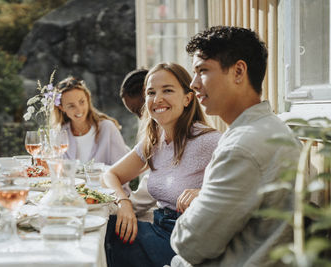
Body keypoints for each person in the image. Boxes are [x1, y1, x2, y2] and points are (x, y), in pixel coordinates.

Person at [170, 26, 301, 267]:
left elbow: (189, 244)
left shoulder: (243, 146)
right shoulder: (267, 128)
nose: (193, 84)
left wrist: (197, 202)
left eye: (202, 71)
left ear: (238, 71)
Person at [103, 62, 221, 267]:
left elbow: (249, 183)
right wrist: (124, 203)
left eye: (167, 90)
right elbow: (110, 175)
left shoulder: (208, 140)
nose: (157, 99)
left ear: (187, 98)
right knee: (105, 229)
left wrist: (203, 192)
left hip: (188, 241)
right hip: (159, 230)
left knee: (107, 239)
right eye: (151, 92)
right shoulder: (154, 140)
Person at [51, 76, 129, 165]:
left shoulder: (107, 128)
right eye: (71, 106)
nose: (79, 110)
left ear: (88, 99)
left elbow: (124, 169)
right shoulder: (60, 133)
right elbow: (56, 169)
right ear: (61, 107)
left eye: (82, 102)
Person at [120, 68, 157, 221]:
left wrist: (124, 206)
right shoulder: (153, 136)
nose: (141, 118)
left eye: (138, 110)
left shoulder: (165, 136)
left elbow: (151, 190)